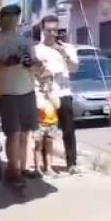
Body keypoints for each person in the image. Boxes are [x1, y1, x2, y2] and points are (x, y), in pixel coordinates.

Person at [0, 4, 41, 188]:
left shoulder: (25, 41)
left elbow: (36, 68)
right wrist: (5, 63)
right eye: (8, 16)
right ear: (1, 18)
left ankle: (24, 167)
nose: (12, 20)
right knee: (13, 132)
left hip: (27, 89)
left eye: (15, 16)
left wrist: (31, 64)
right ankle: (13, 170)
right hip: (6, 92)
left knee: (27, 132)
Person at [34, 15, 79, 174]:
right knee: (45, 132)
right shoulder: (38, 50)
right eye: (49, 30)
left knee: (68, 129)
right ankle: (46, 166)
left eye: (55, 30)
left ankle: (71, 163)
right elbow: (34, 71)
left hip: (64, 92)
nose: (52, 33)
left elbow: (74, 68)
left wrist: (64, 54)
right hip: (46, 94)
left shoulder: (67, 48)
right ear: (43, 30)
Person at [32, 70, 61, 176]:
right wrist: (42, 94)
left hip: (52, 121)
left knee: (49, 146)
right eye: (44, 79)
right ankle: (37, 168)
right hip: (40, 122)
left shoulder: (54, 91)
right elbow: (39, 106)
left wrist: (49, 94)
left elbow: (57, 105)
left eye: (49, 79)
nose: (47, 81)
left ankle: (48, 167)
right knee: (38, 146)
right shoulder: (37, 93)